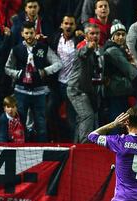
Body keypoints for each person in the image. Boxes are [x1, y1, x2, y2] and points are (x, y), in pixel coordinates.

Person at [88, 107, 137, 201]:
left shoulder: (120, 142)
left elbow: (92, 136)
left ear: (126, 122)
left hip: (123, 199)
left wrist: (114, 124)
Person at [5, 21, 62, 142]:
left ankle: (42, 150)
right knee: (21, 122)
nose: (29, 35)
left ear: (35, 32)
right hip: (21, 91)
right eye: (27, 33)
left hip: (39, 92)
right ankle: (22, 150)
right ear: (22, 34)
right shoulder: (16, 49)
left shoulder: (43, 48)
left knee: (41, 123)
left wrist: (44, 71)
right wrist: (18, 74)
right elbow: (7, 68)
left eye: (31, 32)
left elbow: (58, 63)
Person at [47, 14, 83, 142]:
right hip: (57, 83)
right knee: (50, 111)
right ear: (61, 25)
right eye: (66, 23)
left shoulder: (79, 40)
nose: (68, 26)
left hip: (71, 85)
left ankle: (73, 145)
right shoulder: (55, 38)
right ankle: (54, 139)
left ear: (75, 26)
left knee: (71, 118)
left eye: (71, 24)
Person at [67, 23, 104, 143]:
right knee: (87, 116)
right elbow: (82, 53)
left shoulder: (99, 49)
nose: (95, 36)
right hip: (77, 89)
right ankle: (84, 146)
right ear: (86, 35)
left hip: (87, 89)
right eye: (92, 33)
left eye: (97, 33)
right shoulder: (83, 45)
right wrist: (89, 48)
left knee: (82, 118)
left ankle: (76, 146)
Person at [103, 19, 137, 122]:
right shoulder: (113, 50)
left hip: (120, 89)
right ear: (112, 36)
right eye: (118, 34)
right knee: (117, 119)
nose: (121, 37)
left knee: (120, 119)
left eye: (123, 34)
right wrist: (134, 65)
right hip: (116, 90)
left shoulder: (119, 49)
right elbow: (131, 71)